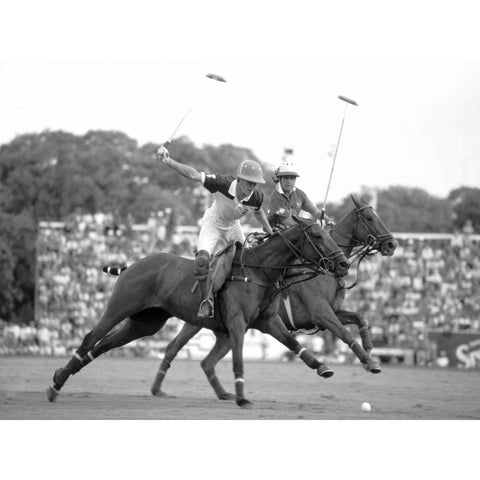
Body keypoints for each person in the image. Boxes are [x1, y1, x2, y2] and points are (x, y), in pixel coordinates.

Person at [157, 145, 273, 319]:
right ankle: (206, 301)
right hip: (213, 224)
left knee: (247, 260)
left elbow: (258, 211)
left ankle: (241, 297)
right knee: (202, 260)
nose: (251, 187)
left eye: (255, 183)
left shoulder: (256, 196)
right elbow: (194, 175)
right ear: (239, 179)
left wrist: (267, 228)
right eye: (249, 182)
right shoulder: (222, 183)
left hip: (233, 226)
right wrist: (168, 161)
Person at [267, 159, 333, 228]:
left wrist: (329, 222)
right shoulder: (275, 197)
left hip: (294, 231)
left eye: (292, 178)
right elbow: (288, 221)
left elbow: (315, 212)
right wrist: (313, 225)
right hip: (276, 233)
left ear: (295, 179)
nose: (289, 181)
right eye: (286, 178)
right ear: (280, 179)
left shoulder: (300, 194)